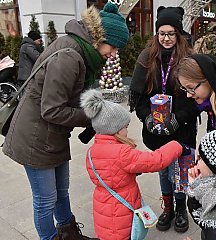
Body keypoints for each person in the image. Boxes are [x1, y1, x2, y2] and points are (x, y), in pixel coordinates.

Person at [2, 3, 129, 240]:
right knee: (45, 199)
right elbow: (52, 110)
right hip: (35, 138)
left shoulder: (79, 51)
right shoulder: (70, 57)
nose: (113, 54)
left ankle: (69, 233)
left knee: (61, 192)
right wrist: (92, 116)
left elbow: (68, 100)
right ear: (99, 37)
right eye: (113, 47)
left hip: (53, 135)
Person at [80, 89, 186, 240]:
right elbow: (155, 160)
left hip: (103, 210)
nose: (127, 130)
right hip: (121, 214)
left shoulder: (92, 151)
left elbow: (109, 171)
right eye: (125, 127)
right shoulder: (122, 153)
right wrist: (176, 145)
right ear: (114, 129)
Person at [129, 6, 199, 233]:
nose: (166, 38)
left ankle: (180, 210)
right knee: (163, 170)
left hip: (182, 129)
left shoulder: (189, 58)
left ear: (178, 34)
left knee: (180, 171)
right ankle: (167, 208)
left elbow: (196, 97)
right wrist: (147, 118)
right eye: (162, 33)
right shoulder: (146, 58)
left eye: (171, 33)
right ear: (156, 34)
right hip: (156, 129)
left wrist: (178, 119)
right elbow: (138, 96)